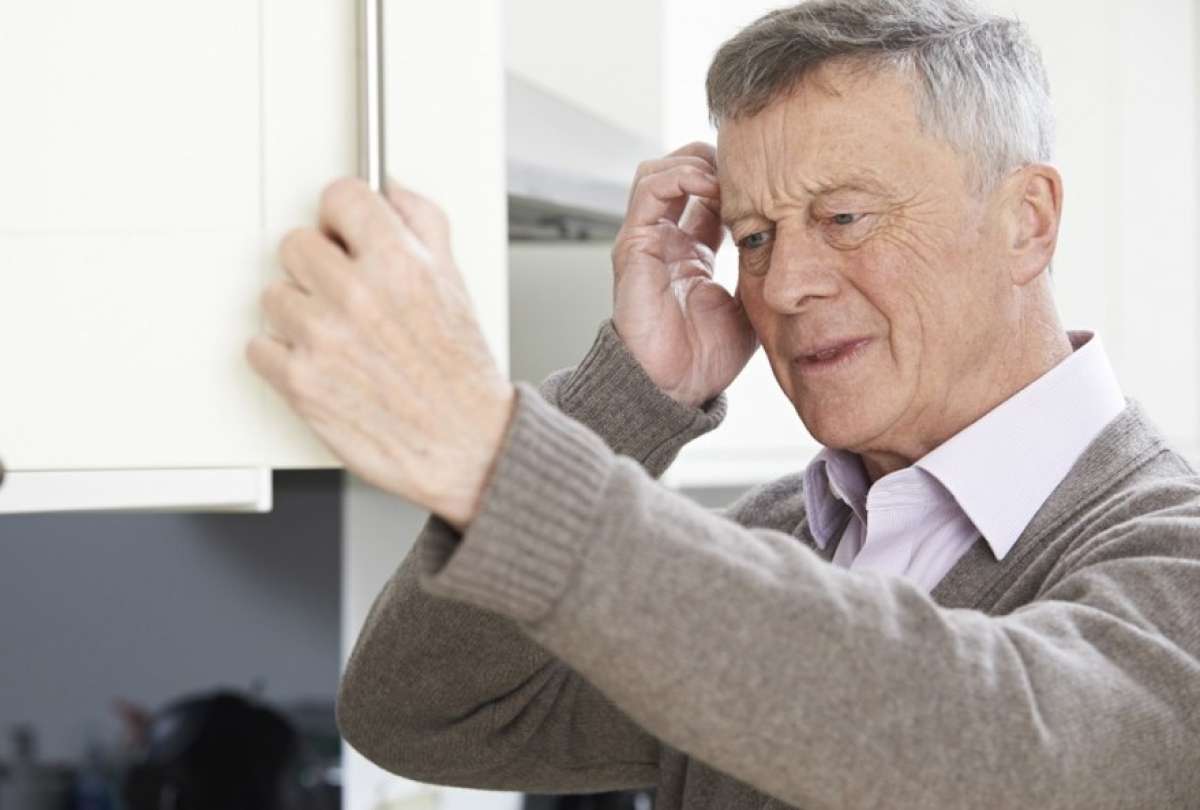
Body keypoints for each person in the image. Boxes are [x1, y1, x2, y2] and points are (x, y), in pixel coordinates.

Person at [245, 0, 1200, 807]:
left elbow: (987, 742)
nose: (783, 285)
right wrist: (630, 396)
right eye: (751, 235)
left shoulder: (1172, 555)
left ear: (1025, 222)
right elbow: (420, 709)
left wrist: (495, 459)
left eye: (844, 217)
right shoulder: (780, 538)